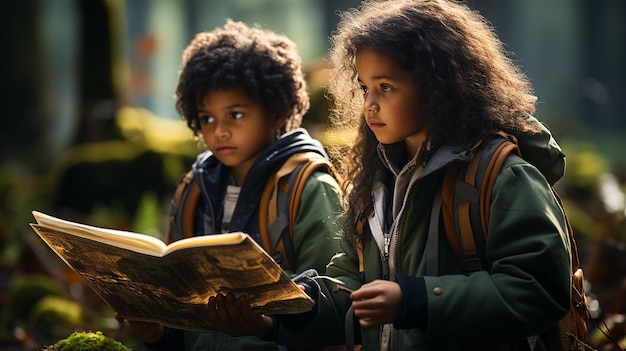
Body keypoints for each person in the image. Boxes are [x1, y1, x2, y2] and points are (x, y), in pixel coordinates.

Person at [206, 1, 573, 350]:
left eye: (385, 87)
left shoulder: (502, 176)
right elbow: (351, 288)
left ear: (439, 87)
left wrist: (417, 300)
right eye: (364, 87)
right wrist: (275, 320)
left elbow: (540, 288)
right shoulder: (375, 181)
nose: (369, 104)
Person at [119, 19, 343, 351]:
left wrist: (267, 326)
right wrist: (155, 331)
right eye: (207, 118)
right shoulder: (194, 189)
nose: (219, 131)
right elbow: (184, 315)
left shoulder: (309, 188)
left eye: (235, 115)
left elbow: (335, 307)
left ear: (278, 111)